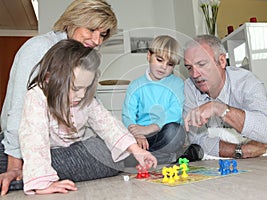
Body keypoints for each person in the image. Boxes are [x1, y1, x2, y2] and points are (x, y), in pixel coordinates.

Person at [0, 0, 117, 195]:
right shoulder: (39, 47)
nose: (97, 40)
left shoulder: (84, 54)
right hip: (23, 144)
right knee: (108, 156)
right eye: (91, 30)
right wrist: (15, 163)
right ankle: (30, 175)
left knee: (112, 151)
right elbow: (20, 106)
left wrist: (119, 138)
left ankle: (35, 173)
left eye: (102, 34)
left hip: (60, 142)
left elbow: (89, 106)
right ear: (73, 21)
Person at [18, 39, 157, 195]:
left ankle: (31, 175)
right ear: (50, 79)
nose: (82, 95)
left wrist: (136, 150)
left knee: (104, 153)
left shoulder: (85, 99)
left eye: (86, 87)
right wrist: (43, 185)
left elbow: (107, 123)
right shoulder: (37, 96)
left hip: (71, 152)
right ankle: (31, 176)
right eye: (76, 88)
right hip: (44, 153)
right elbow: (34, 141)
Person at [183, 34, 267, 159]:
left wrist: (219, 108)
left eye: (202, 64)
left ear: (222, 61)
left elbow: (265, 132)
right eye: (189, 68)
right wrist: (240, 151)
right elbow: (197, 140)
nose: (194, 74)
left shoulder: (247, 82)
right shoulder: (189, 87)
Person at [122, 35, 186, 165]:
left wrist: (152, 127)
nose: (163, 67)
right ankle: (166, 157)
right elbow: (127, 115)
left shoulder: (178, 84)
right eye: (159, 60)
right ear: (148, 55)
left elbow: (175, 112)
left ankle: (143, 159)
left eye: (170, 64)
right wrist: (137, 134)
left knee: (175, 131)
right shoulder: (135, 85)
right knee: (117, 143)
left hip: (163, 134)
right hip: (141, 137)